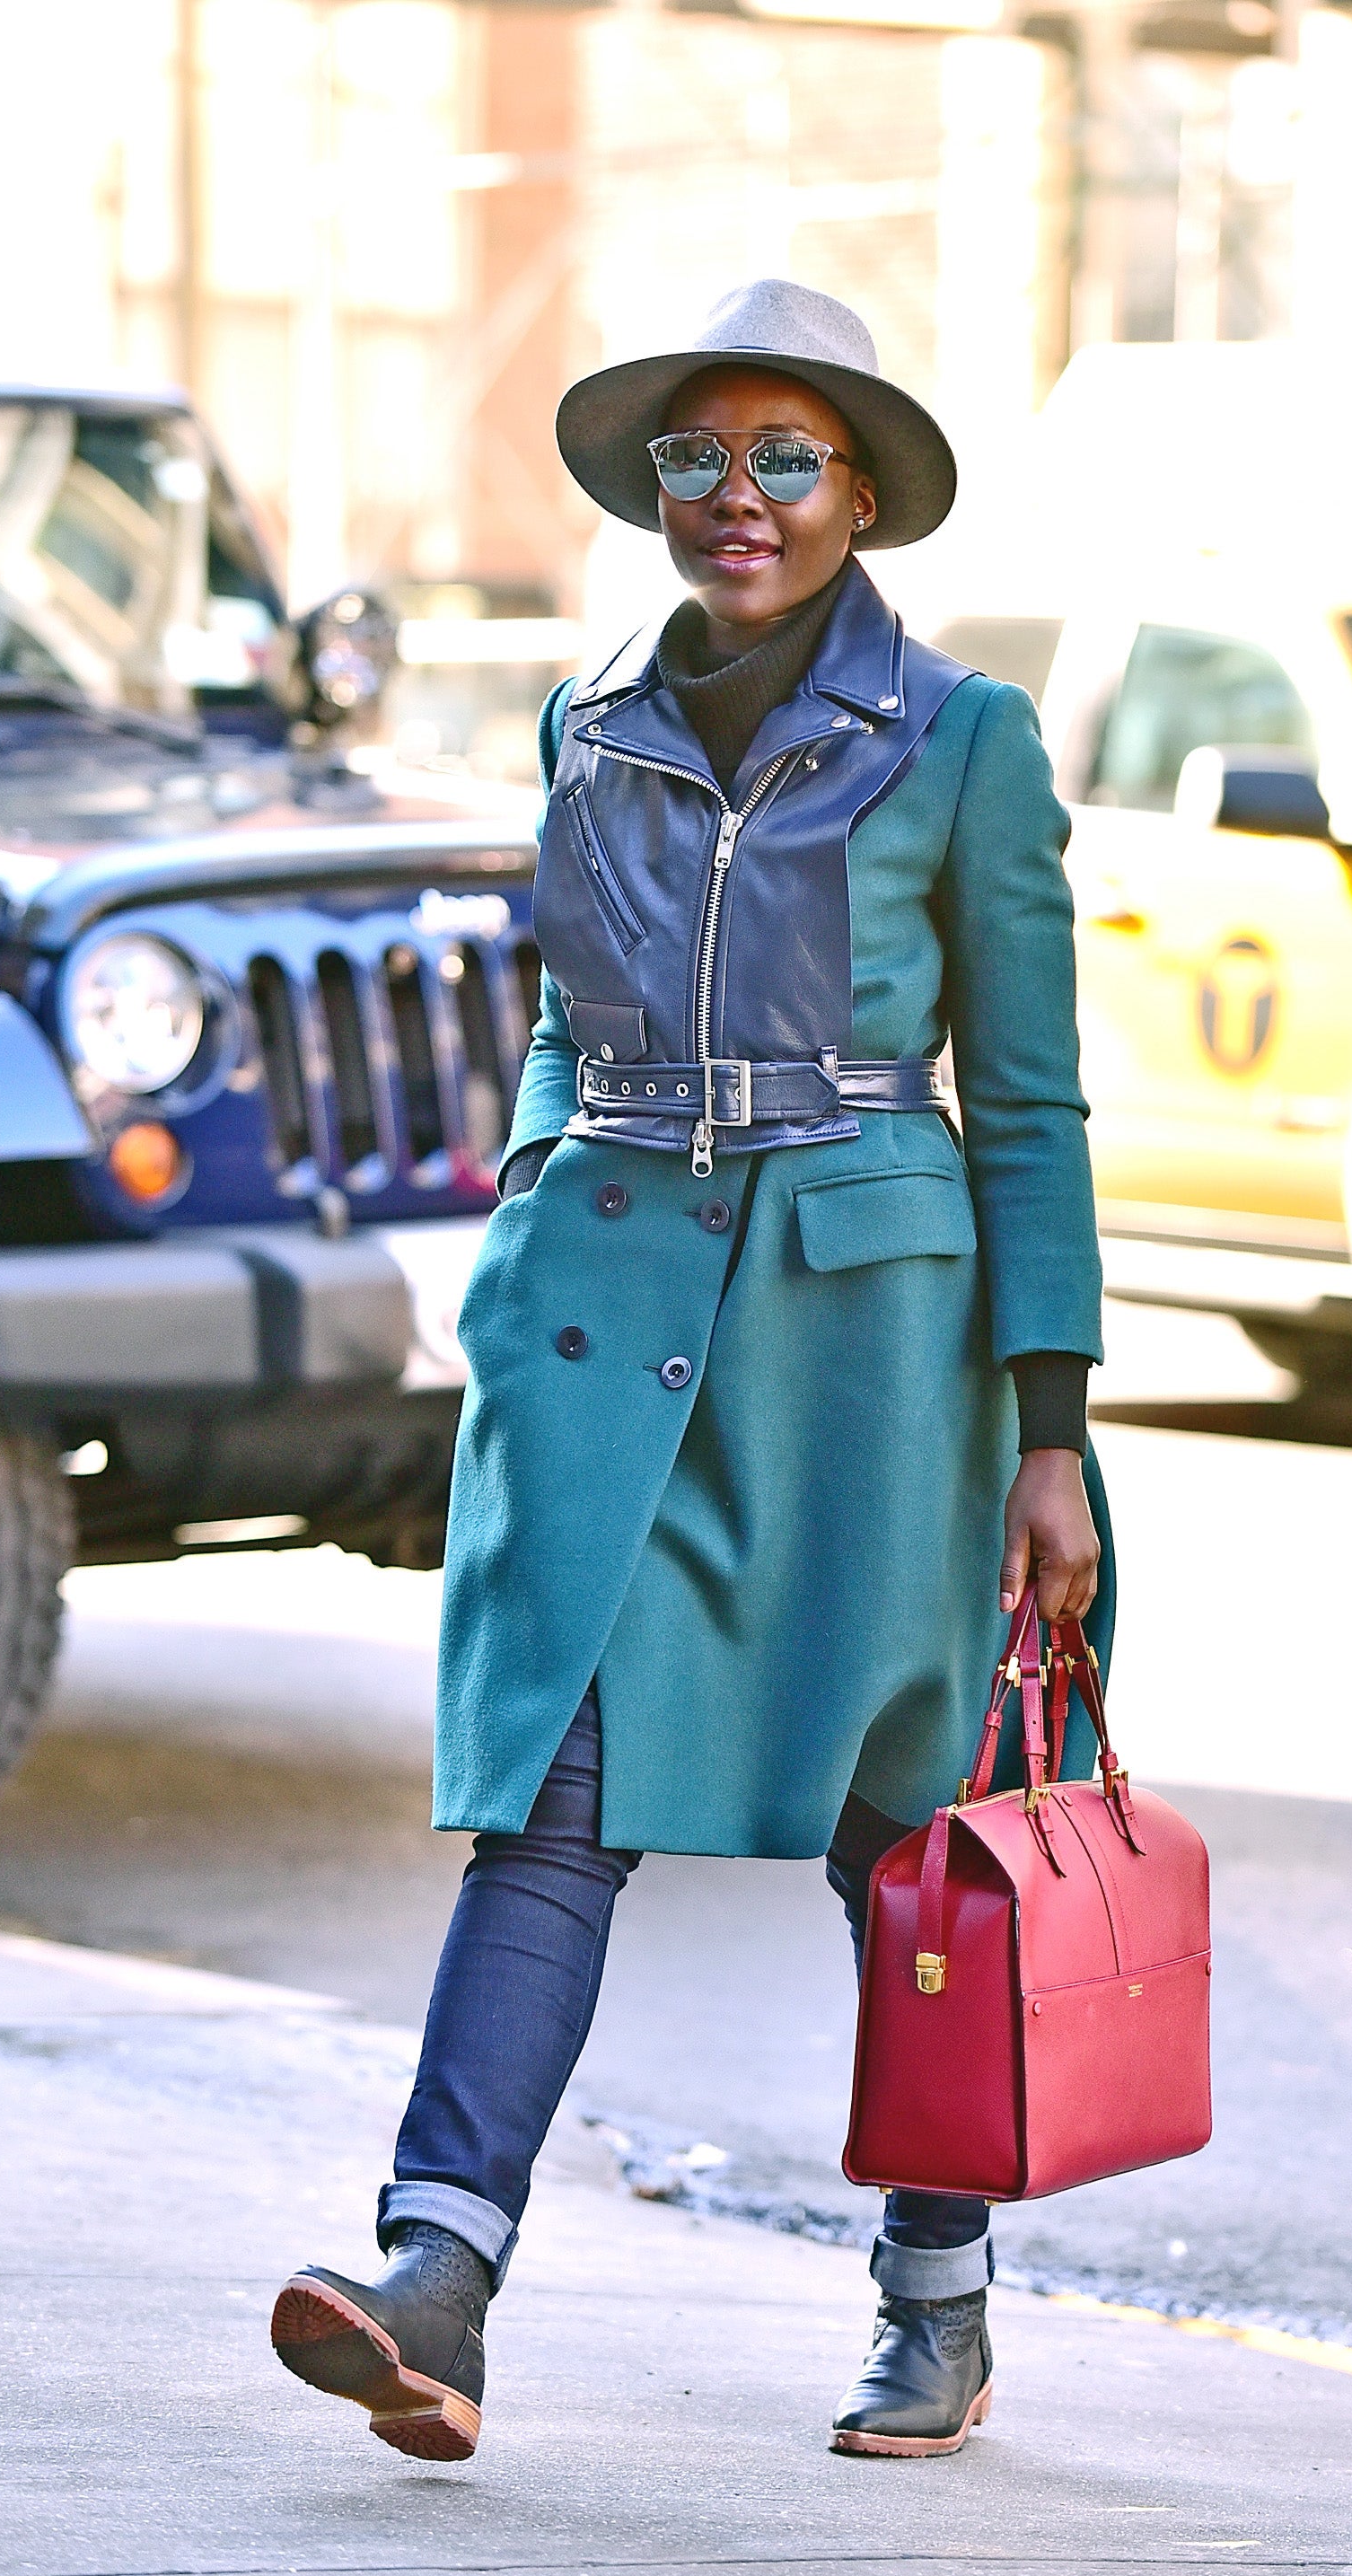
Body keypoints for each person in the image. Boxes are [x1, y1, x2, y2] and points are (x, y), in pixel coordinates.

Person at [271, 280, 1111, 2465]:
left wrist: (1049, 1433)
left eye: (782, 459)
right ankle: (435, 2278)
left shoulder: (963, 740)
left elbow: (1027, 1101)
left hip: (871, 1358)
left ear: (858, 496)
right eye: (694, 459)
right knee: (548, 1797)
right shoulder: (587, 716)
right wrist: (536, 1193)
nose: (734, 498)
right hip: (605, 1323)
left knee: (904, 1847)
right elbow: (563, 1017)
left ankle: (935, 2302)